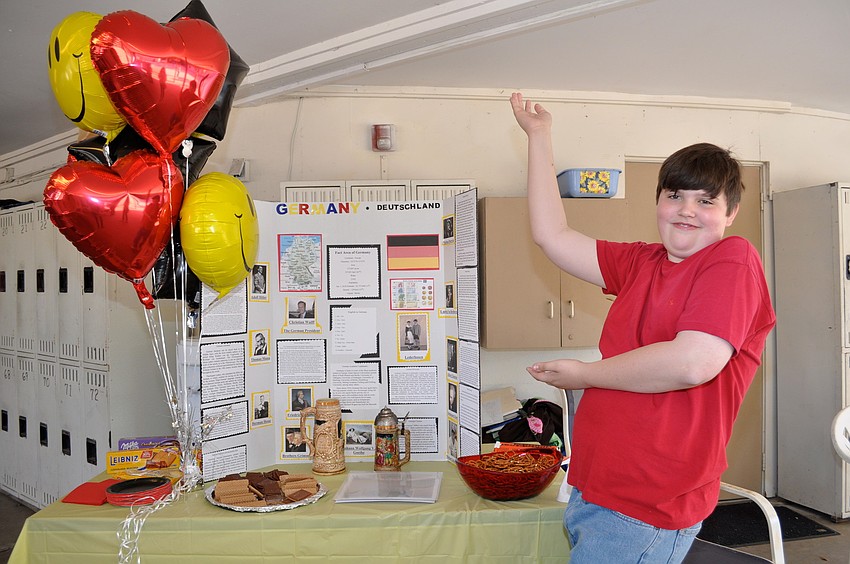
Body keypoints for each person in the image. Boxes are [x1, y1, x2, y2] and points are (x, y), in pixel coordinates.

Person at [510, 92, 775, 563]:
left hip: (647, 503)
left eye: (705, 201)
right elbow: (553, 236)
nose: (686, 210)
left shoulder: (732, 260)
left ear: (730, 214)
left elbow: (693, 362)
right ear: (658, 202)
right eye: (674, 195)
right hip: (596, 486)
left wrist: (584, 375)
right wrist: (539, 138)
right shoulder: (641, 261)